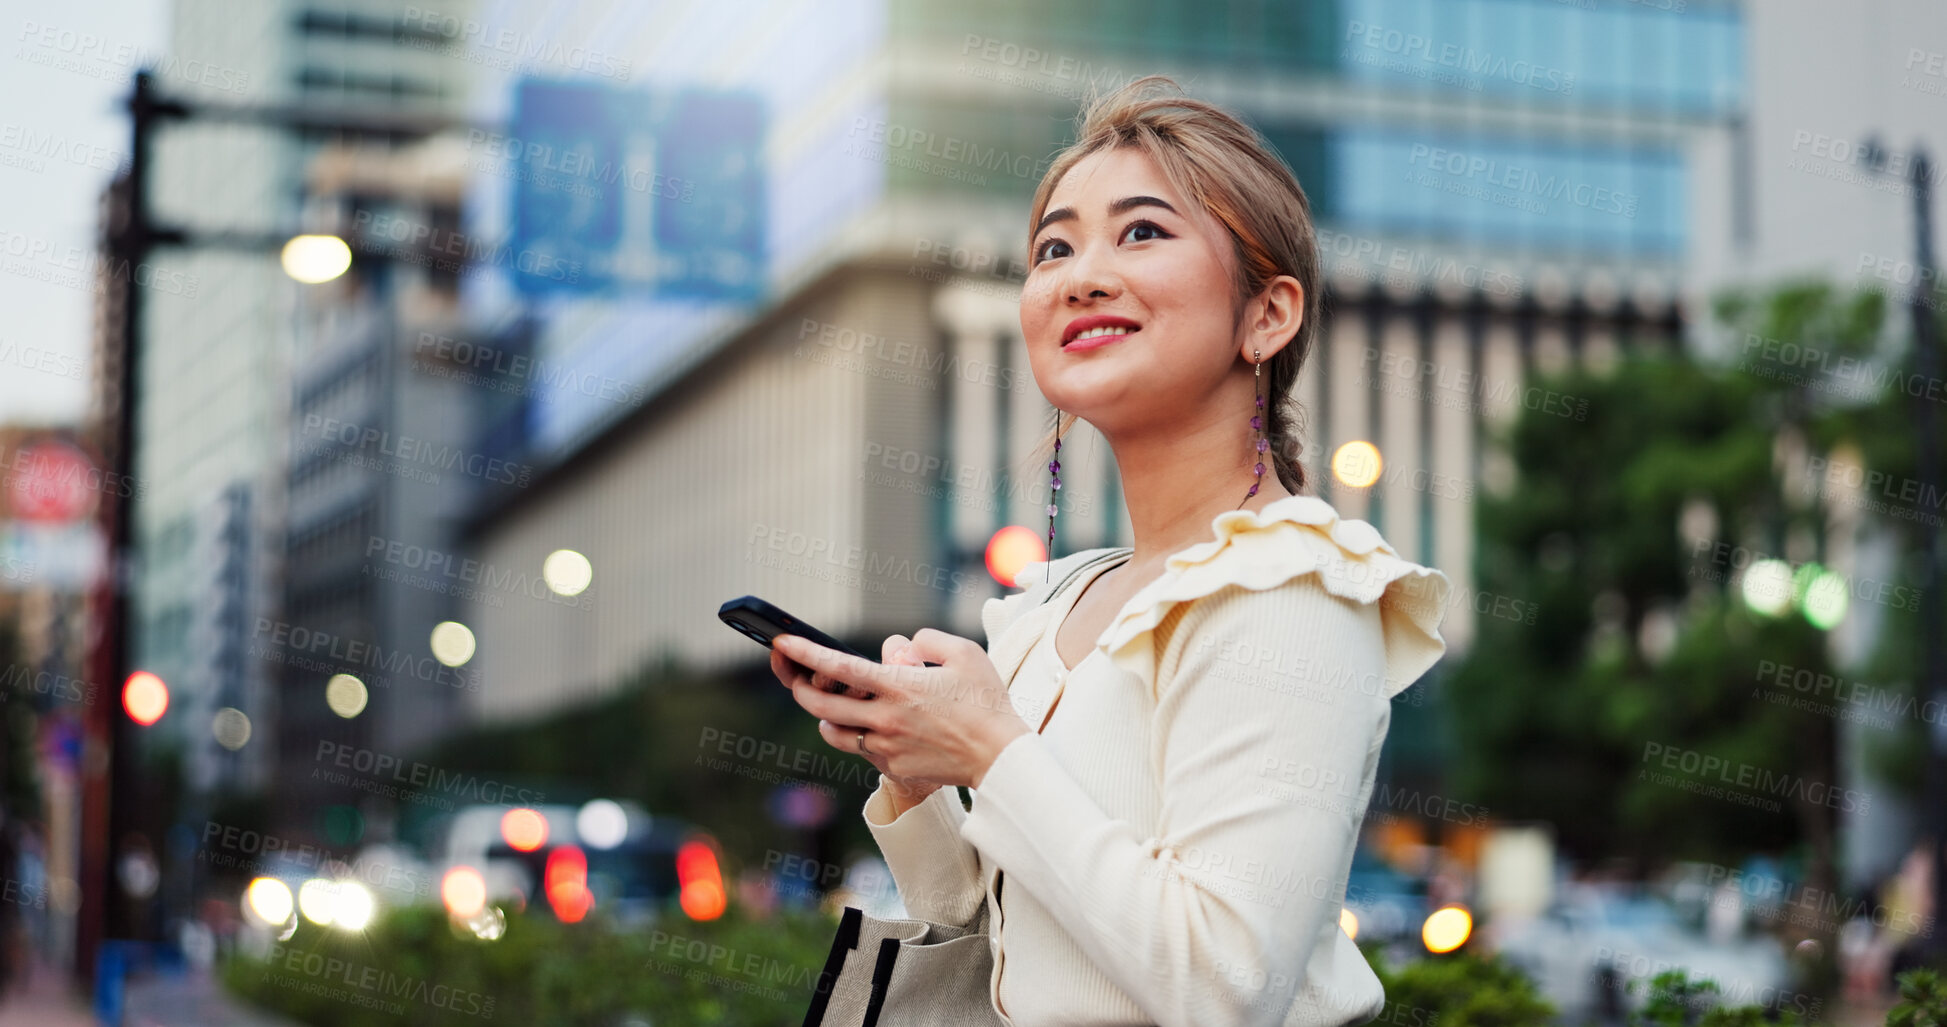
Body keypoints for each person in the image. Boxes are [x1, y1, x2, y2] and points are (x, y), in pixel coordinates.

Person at [770, 74, 1452, 1027]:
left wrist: (990, 747)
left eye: (1141, 232)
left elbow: (1222, 986)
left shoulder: (1289, 588)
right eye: (1055, 245)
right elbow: (991, 924)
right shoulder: (1060, 603)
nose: (1081, 273)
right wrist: (923, 771)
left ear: (1268, 314)